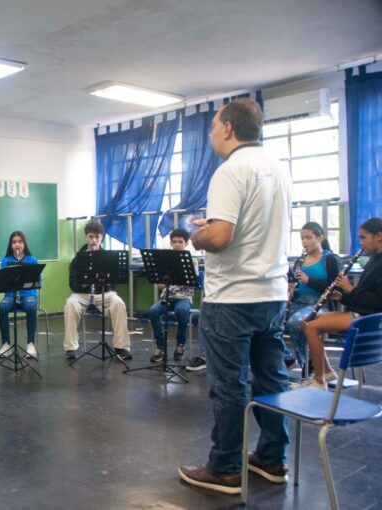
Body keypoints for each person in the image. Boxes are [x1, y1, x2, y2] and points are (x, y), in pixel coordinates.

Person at [178, 99, 291, 495]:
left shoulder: (231, 171)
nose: (210, 134)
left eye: (212, 126)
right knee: (272, 379)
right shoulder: (278, 168)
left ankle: (225, 467)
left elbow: (221, 239)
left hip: (232, 297)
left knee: (229, 386)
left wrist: (197, 235)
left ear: (228, 128)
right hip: (273, 293)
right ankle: (273, 459)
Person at [298, 217, 382, 389]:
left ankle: (319, 380)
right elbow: (363, 296)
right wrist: (342, 296)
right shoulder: (374, 260)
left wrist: (350, 289)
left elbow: (377, 302)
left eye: (363, 238)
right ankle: (327, 372)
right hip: (359, 312)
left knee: (312, 327)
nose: (360, 243)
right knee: (306, 322)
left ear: (379, 236)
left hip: (368, 319)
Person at [63, 220, 131, 360]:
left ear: (102, 238)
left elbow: (114, 283)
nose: (94, 240)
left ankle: (121, 347)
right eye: (91, 236)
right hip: (83, 294)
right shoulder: (77, 259)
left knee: (119, 303)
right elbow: (72, 284)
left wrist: (104, 282)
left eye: (97, 237)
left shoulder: (109, 258)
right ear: (86, 237)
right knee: (71, 304)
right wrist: (85, 285)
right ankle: (71, 347)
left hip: (105, 293)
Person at [282, 222, 341, 369]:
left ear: (320, 237)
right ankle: (288, 357)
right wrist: (292, 287)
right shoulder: (299, 262)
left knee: (295, 322)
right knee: (270, 323)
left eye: (308, 238)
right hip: (298, 302)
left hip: (320, 305)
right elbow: (296, 282)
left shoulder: (330, 260)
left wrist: (309, 280)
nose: (304, 242)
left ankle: (309, 365)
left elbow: (336, 289)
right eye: (302, 238)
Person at [147, 228, 197, 363]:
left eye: (180, 242)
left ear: (186, 243)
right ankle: (160, 347)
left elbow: (192, 284)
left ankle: (180, 345)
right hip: (166, 297)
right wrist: (161, 284)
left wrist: (177, 281)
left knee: (181, 310)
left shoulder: (192, 261)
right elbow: (159, 284)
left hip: (184, 297)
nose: (176, 244)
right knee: (153, 311)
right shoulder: (165, 261)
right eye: (174, 242)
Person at [0, 231, 40, 359]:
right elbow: (2, 282)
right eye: (14, 242)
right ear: (11, 245)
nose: (17, 244)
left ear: (24, 244)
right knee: (2, 308)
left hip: (28, 295)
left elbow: (38, 281)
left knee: (31, 307)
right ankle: (6, 344)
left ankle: (30, 344)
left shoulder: (32, 260)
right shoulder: (6, 260)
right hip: (10, 295)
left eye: (20, 242)